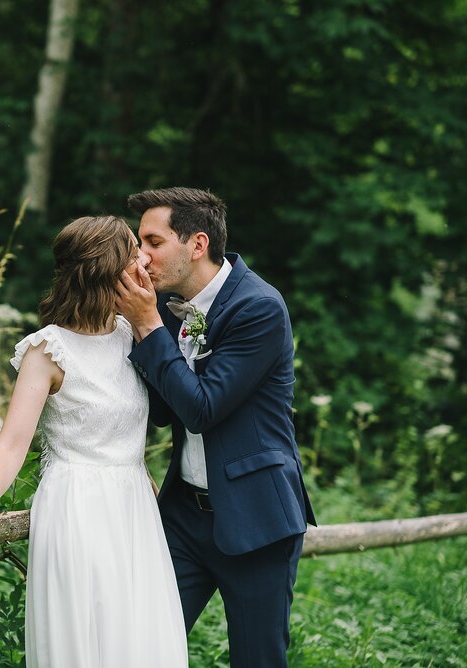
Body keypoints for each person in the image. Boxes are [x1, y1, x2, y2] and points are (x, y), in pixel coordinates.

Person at [0, 215, 189, 667]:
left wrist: (141, 476)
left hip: (134, 507)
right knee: (88, 639)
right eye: (134, 253)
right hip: (77, 508)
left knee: (141, 642)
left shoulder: (135, 335)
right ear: (109, 270)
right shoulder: (48, 350)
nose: (144, 261)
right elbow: (13, 442)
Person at [115, 186, 316, 667]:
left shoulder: (259, 307)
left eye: (153, 242)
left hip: (255, 518)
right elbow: (164, 411)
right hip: (183, 515)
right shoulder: (165, 306)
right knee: (143, 650)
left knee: (257, 660)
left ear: (197, 244)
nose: (141, 256)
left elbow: (202, 409)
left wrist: (147, 327)